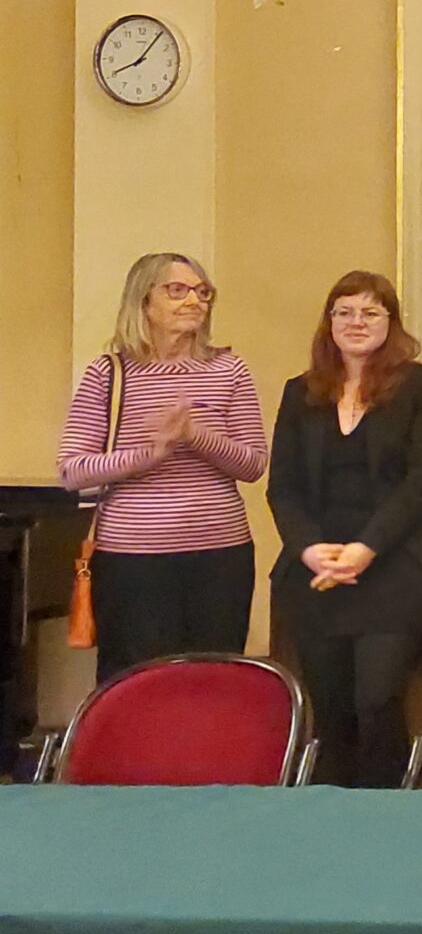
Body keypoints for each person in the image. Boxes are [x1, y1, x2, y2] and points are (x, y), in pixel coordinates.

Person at [267, 272, 422, 787]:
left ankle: (384, 804)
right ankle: (334, 806)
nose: (356, 322)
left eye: (370, 312)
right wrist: (310, 549)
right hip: (319, 567)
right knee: (330, 706)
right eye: (345, 312)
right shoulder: (299, 393)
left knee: (376, 696)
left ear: (391, 322)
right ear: (328, 322)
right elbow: (282, 488)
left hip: (400, 560)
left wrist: (366, 548)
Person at [55, 253, 268, 681]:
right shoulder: (108, 373)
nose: (194, 300)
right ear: (144, 301)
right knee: (137, 684)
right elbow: (73, 470)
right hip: (133, 562)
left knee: (213, 681)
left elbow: (253, 463)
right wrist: (146, 457)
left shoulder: (229, 369)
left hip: (219, 557)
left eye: (202, 292)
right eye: (177, 290)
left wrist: (194, 435)